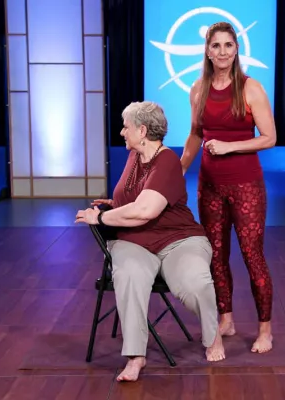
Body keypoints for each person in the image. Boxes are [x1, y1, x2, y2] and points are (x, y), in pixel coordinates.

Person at [75, 101, 225, 382]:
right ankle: (135, 356)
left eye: (126, 126)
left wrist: (101, 219)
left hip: (178, 239)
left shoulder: (166, 161)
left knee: (196, 284)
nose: (122, 132)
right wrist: (113, 205)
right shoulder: (135, 154)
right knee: (129, 275)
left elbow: (145, 210)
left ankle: (212, 334)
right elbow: (132, 198)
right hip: (133, 241)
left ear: (142, 130)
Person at [180, 22, 277, 354]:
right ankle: (227, 318)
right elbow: (196, 134)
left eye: (228, 45)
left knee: (252, 256)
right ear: (207, 51)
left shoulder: (251, 88)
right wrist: (179, 168)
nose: (222, 51)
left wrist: (229, 146)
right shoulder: (198, 89)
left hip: (246, 185)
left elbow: (270, 137)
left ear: (237, 49)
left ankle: (265, 330)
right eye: (216, 45)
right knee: (215, 258)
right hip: (209, 186)